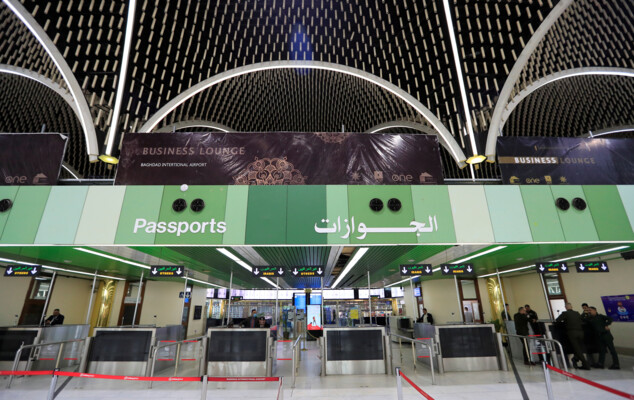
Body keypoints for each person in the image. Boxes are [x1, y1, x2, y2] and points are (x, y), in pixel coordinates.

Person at [555, 302, 590, 370]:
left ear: (566, 307)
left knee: (577, 349)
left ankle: (586, 364)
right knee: (579, 348)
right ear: (571, 307)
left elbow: (557, 320)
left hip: (572, 332)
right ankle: (575, 359)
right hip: (581, 332)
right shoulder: (577, 313)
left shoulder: (565, 313)